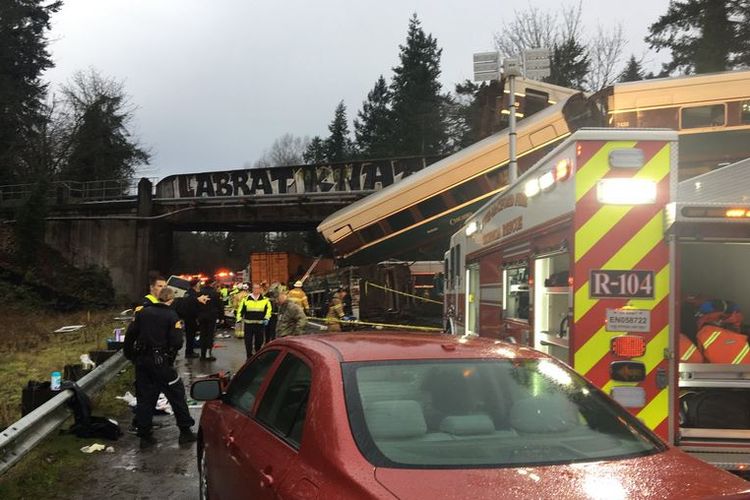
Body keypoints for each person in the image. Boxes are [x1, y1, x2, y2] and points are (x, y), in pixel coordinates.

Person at [123, 287, 196, 449]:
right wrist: (170, 355)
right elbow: (177, 342)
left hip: (143, 362)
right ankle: (185, 431)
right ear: (171, 300)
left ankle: (145, 436)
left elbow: (130, 335)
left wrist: (131, 355)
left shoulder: (142, 313)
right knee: (176, 394)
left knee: (145, 398)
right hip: (161, 363)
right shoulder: (171, 316)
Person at [236, 283, 271, 357]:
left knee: (259, 341)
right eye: (255, 288)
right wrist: (239, 318)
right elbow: (240, 310)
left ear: (260, 289)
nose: (256, 290)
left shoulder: (265, 300)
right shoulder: (246, 299)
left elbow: (268, 310)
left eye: (258, 288)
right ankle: (249, 356)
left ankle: (257, 354)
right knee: (248, 341)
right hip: (248, 324)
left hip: (260, 324)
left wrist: (266, 318)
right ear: (252, 289)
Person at [174, 278, 202, 358]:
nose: (200, 285)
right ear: (196, 284)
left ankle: (189, 351)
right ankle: (189, 352)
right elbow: (194, 307)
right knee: (191, 336)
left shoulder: (187, 293)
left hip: (187, 317)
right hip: (192, 317)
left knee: (189, 335)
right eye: (199, 283)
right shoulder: (194, 294)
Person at [197, 280, 222, 361]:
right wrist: (222, 317)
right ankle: (208, 354)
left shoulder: (199, 292)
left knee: (203, 334)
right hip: (211, 317)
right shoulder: (215, 293)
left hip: (201, 316)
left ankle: (202, 354)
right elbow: (219, 306)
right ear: (212, 284)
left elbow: (196, 305)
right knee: (210, 335)